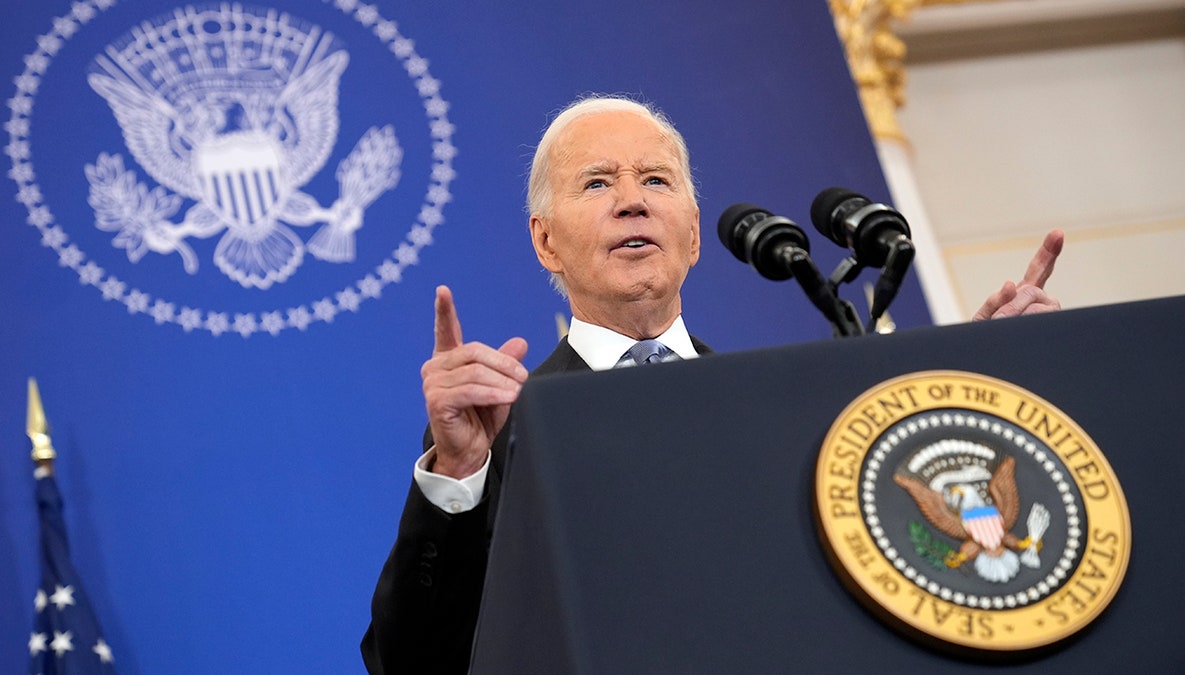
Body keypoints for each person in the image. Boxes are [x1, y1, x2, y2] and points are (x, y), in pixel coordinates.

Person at [360, 95, 1062, 674]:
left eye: (656, 181)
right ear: (546, 241)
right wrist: (456, 472)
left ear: (693, 235)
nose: (632, 202)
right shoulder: (499, 432)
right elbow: (409, 663)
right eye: (598, 182)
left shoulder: (783, 411)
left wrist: (972, 381)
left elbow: (898, 576)